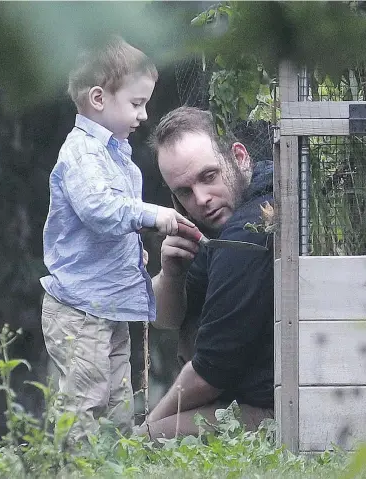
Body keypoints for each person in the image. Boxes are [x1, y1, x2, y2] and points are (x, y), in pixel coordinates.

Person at [40, 37, 193, 443]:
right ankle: (75, 469)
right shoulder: (83, 154)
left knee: (118, 400)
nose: (144, 115)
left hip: (107, 304)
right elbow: (99, 209)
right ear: (98, 98)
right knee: (84, 399)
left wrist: (132, 251)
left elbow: (103, 226)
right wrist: (152, 214)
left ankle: (115, 465)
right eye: (136, 103)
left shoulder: (115, 154)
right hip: (79, 307)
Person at [142, 106, 274, 439]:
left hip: (277, 412)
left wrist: (140, 432)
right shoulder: (233, 214)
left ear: (239, 156)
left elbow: (207, 377)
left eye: (208, 176)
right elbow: (165, 318)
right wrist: (172, 274)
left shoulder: (247, 232)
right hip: (243, 396)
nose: (201, 200)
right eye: (184, 192)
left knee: (147, 443)